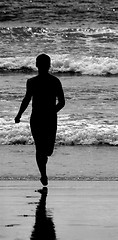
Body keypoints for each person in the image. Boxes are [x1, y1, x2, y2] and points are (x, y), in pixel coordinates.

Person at [15, 54, 65, 186]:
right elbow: (26, 99)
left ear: (47, 66)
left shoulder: (55, 81)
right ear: (38, 65)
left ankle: (43, 168)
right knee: (40, 148)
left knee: (48, 150)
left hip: (49, 119)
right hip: (37, 118)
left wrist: (51, 112)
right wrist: (19, 114)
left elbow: (62, 102)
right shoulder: (32, 82)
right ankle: (43, 174)